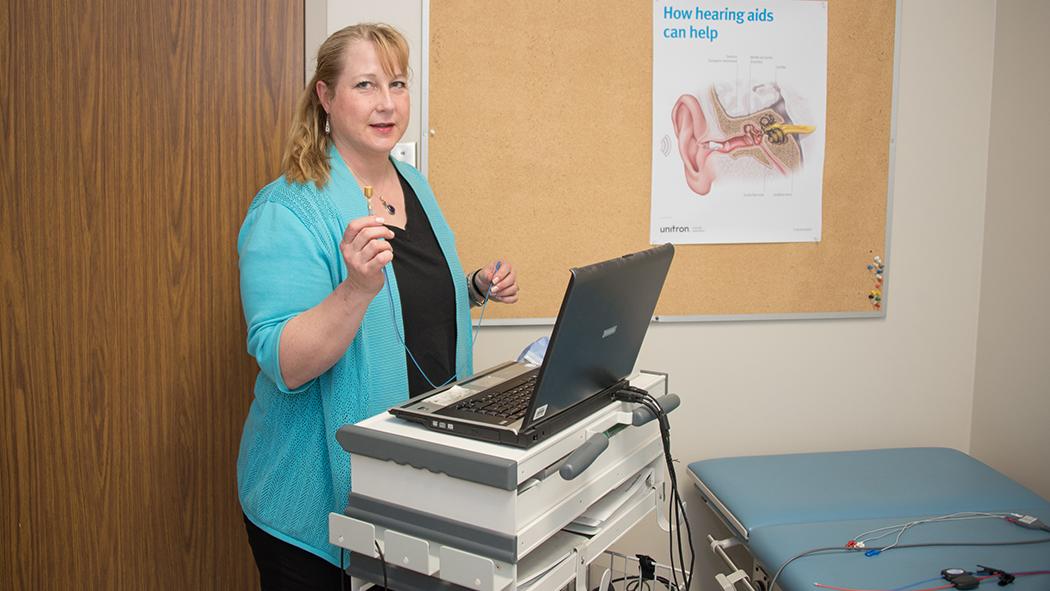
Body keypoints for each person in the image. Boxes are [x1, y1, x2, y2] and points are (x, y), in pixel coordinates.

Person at [236, 23, 518, 590]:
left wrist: (471, 288)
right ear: (325, 97)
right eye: (365, 85)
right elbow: (286, 361)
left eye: (397, 83)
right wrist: (356, 289)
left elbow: (402, 309)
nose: (387, 103)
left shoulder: (413, 184)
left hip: (413, 487)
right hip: (312, 508)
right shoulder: (287, 209)